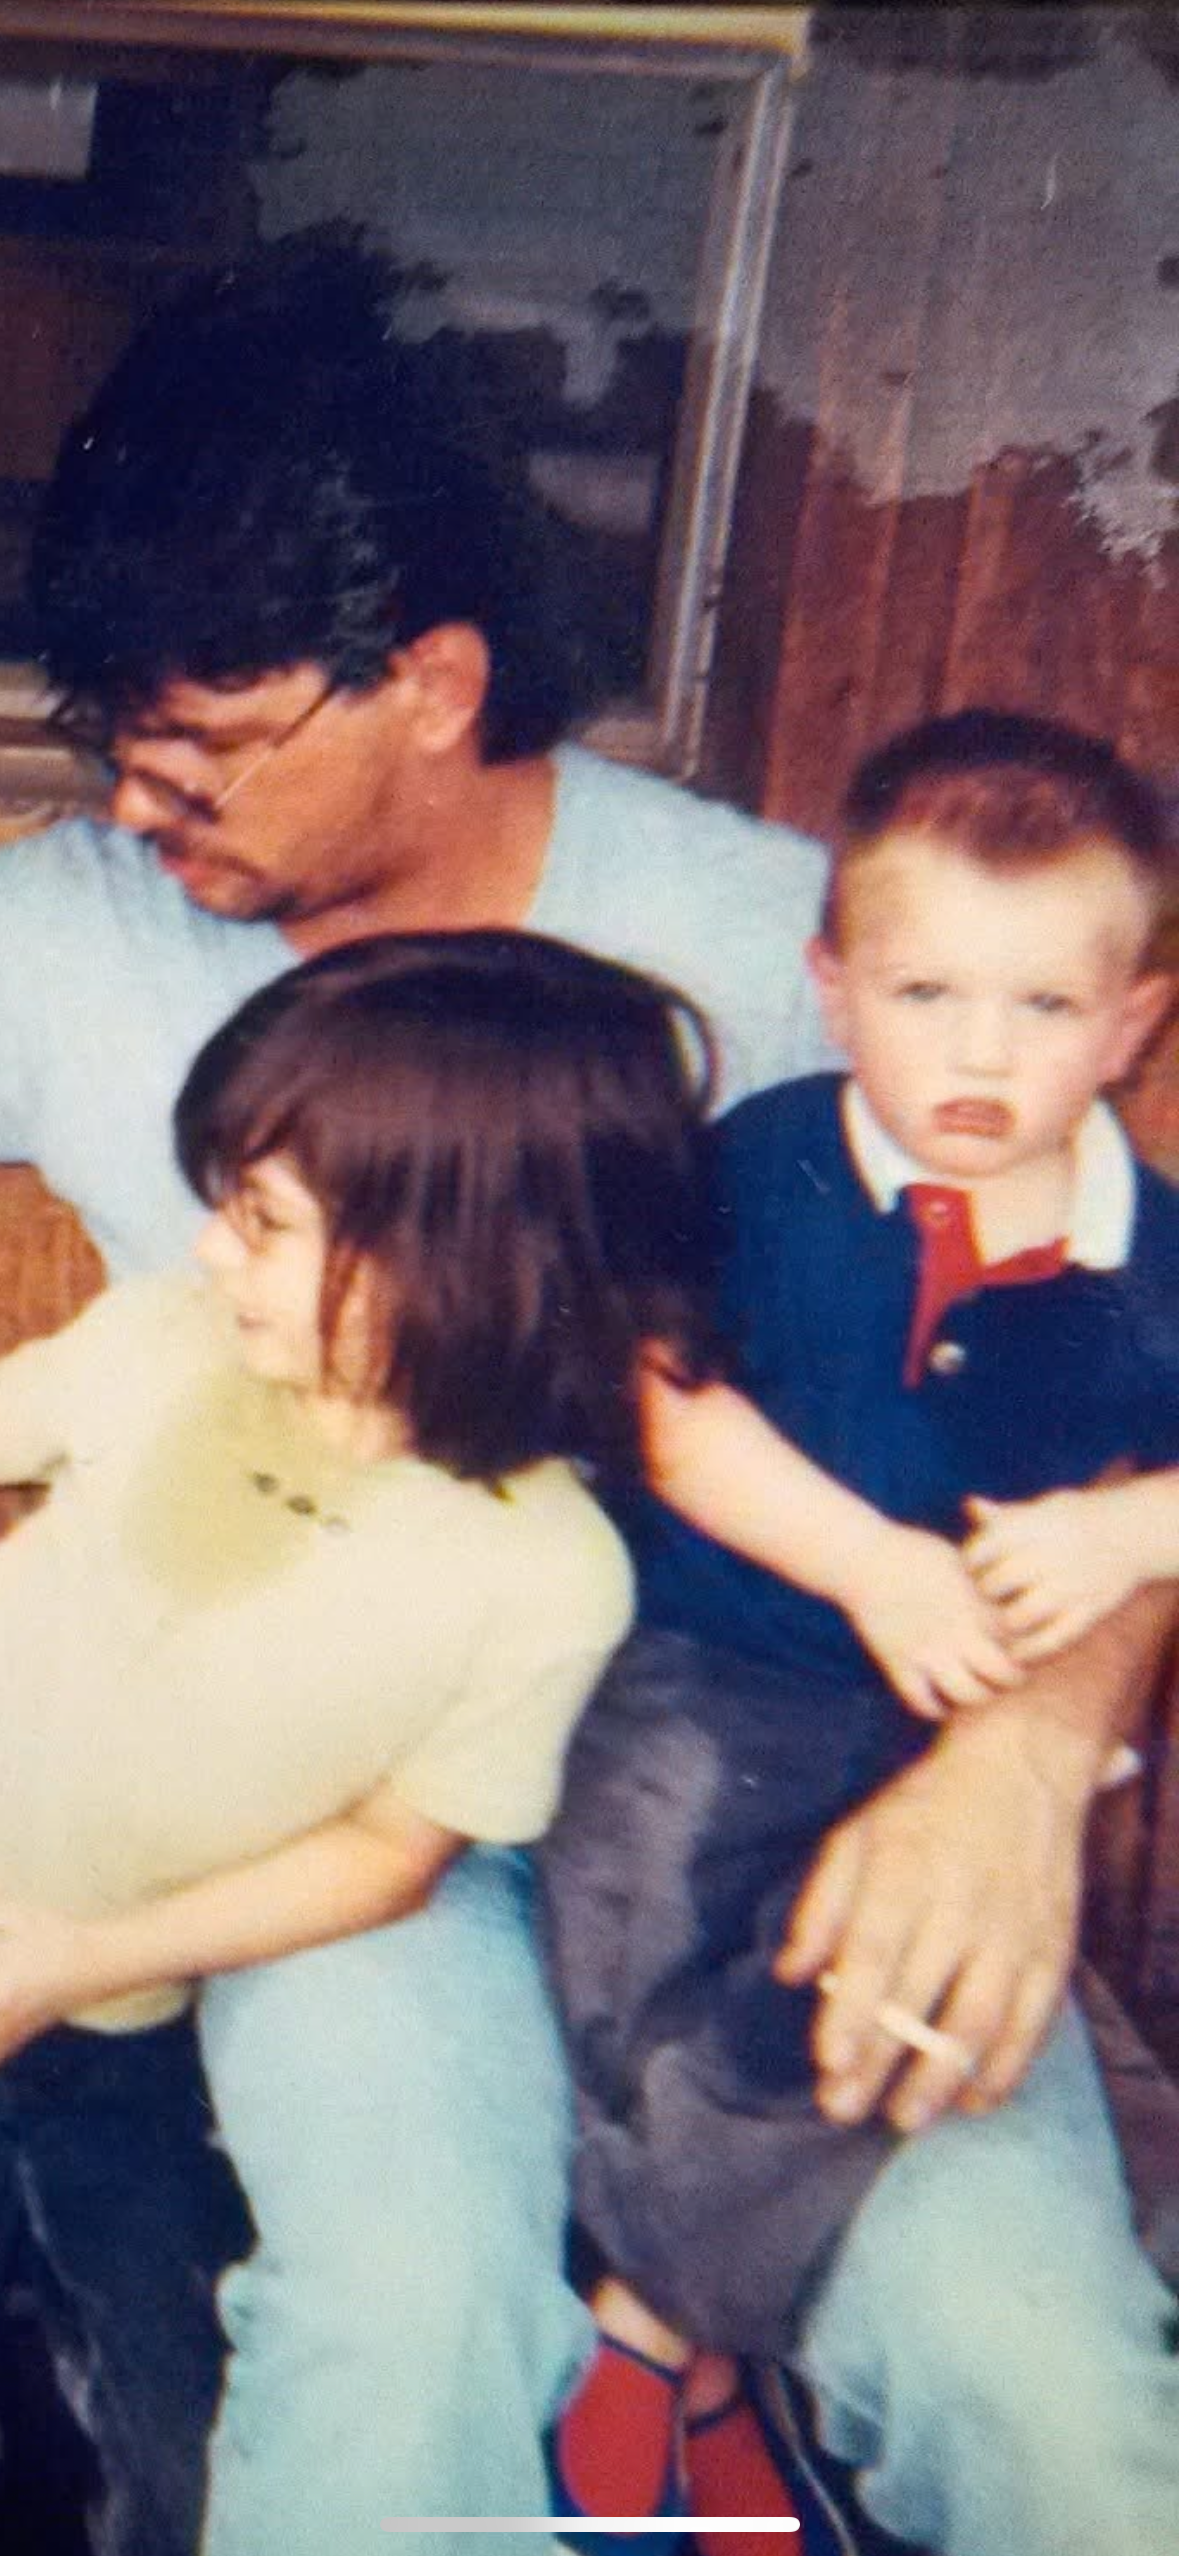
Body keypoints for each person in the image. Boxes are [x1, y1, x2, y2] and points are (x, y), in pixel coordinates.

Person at [1, 225, 1161, 2551]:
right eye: (113, 746)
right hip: (354, 1823)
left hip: (806, 1777)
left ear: (425, 679)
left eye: (202, 749)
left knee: (1040, 2387)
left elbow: (1098, 1423)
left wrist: (1026, 1764)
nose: (143, 808)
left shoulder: (816, 956)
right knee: (400, 2314)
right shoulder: (75, 923)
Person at [541, 708, 1179, 2556]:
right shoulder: (760, 1167)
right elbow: (660, 1400)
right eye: (924, 994)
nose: (978, 1056)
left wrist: (1137, 1521)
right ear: (830, 991)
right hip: (702, 1681)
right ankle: (721, 2370)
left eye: (1045, 1012)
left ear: (1133, 1022)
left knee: (874, 2011)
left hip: (942, 1747)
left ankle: (655, 2329)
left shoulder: (1149, 1252)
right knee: (645, 1973)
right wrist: (865, 1562)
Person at [0, 925, 726, 2540]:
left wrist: (65, 1955)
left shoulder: (539, 1574)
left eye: (261, 1223)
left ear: (460, 1259)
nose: (206, 1256)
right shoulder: (160, 1346)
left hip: (116, 2031)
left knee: (173, 2445)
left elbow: (396, 1857)